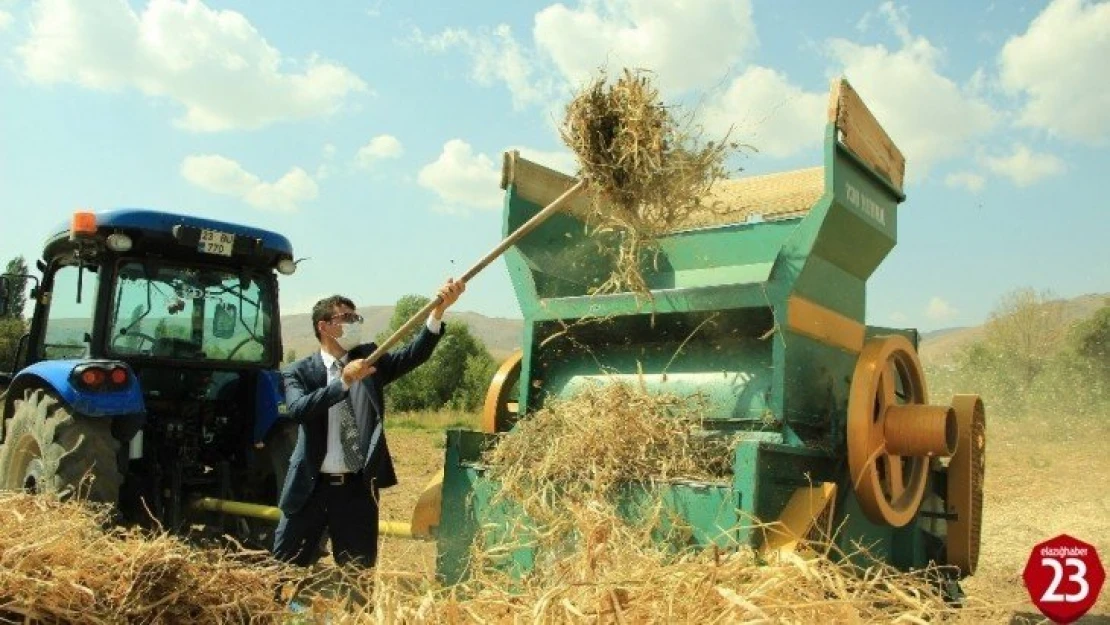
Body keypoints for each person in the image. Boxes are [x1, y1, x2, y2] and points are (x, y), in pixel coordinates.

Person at [272, 278, 465, 568]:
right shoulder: (298, 372)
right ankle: (289, 612)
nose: (354, 323)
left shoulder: (370, 360)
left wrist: (437, 313)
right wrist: (344, 382)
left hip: (356, 491)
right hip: (310, 490)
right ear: (323, 326)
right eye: (345, 318)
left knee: (358, 577)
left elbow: (414, 355)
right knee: (283, 571)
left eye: (356, 317)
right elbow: (298, 410)